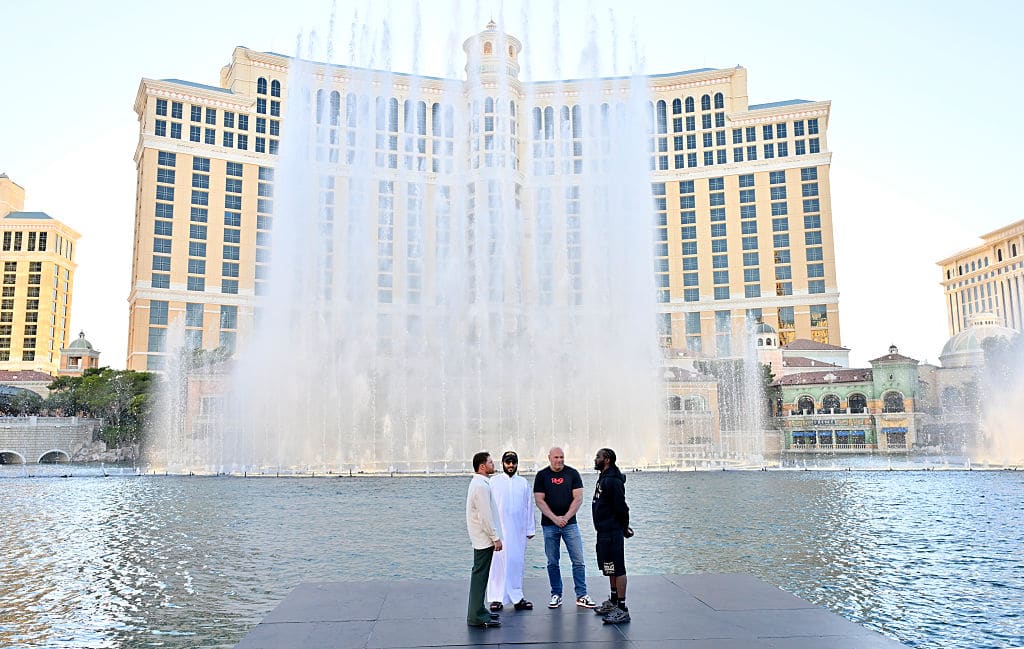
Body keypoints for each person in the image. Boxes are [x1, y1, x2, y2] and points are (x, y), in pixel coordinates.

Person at [533, 447, 597, 609]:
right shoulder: (542, 476)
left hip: (570, 525)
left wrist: (566, 518)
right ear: (549, 458)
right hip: (549, 525)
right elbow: (539, 500)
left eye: (562, 457)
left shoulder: (572, 474)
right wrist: (554, 518)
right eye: (556, 457)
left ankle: (581, 595)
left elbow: (578, 498)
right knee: (552, 562)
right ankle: (556, 594)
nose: (559, 460)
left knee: (578, 560)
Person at [487, 450, 536, 612]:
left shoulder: (523, 483)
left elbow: (529, 507)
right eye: (508, 462)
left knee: (516, 563)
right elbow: (487, 507)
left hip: (518, 531)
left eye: (513, 462)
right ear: (502, 463)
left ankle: (517, 597)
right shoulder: (493, 482)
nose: (511, 465)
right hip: (498, 532)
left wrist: (530, 528)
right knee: (497, 565)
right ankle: (496, 598)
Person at [591, 447, 632, 624]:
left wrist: (624, 527)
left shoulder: (613, 481)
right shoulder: (603, 478)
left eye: (597, 457)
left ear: (606, 459)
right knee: (609, 566)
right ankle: (614, 601)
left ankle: (622, 608)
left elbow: (621, 507)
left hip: (613, 531)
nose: (595, 459)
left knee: (618, 567)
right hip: (603, 532)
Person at [466, 451, 503, 628]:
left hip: (482, 537)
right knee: (480, 576)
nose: (493, 464)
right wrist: (495, 537)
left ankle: (479, 610)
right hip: (483, 539)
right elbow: (485, 516)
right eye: (490, 462)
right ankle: (475, 616)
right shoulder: (481, 486)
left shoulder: (480, 483)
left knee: (481, 574)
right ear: (482, 466)